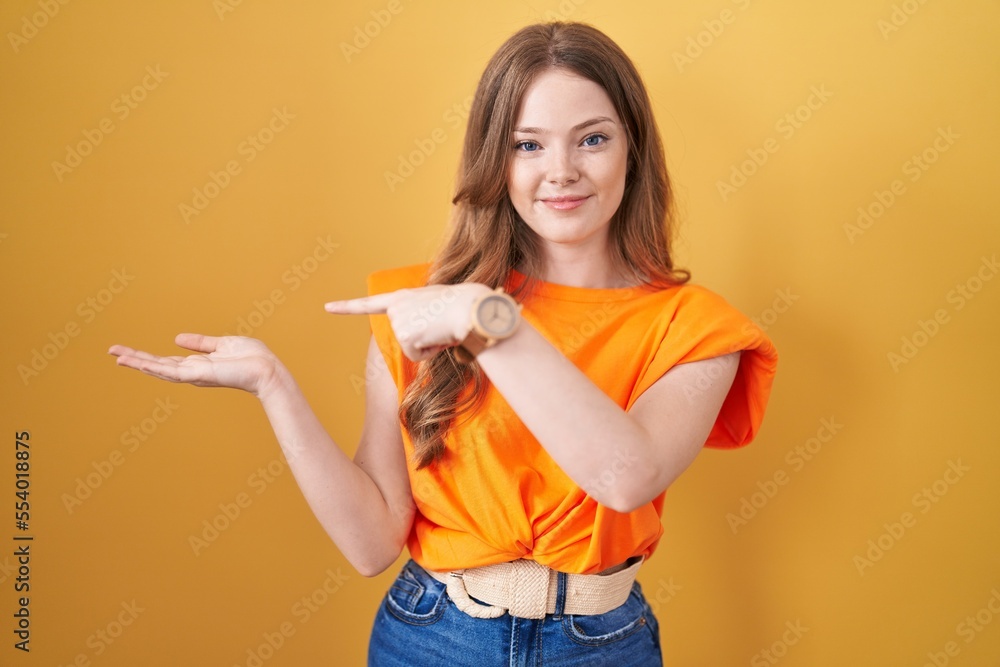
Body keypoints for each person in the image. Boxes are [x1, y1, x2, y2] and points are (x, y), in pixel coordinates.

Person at [109, 21, 778, 666]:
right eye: (528, 145)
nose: (562, 170)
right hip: (430, 635)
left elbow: (623, 476)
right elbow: (372, 542)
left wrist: (486, 322)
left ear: (632, 149)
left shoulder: (696, 327)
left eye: (592, 139)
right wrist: (273, 387)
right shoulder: (420, 309)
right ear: (496, 160)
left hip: (602, 644)